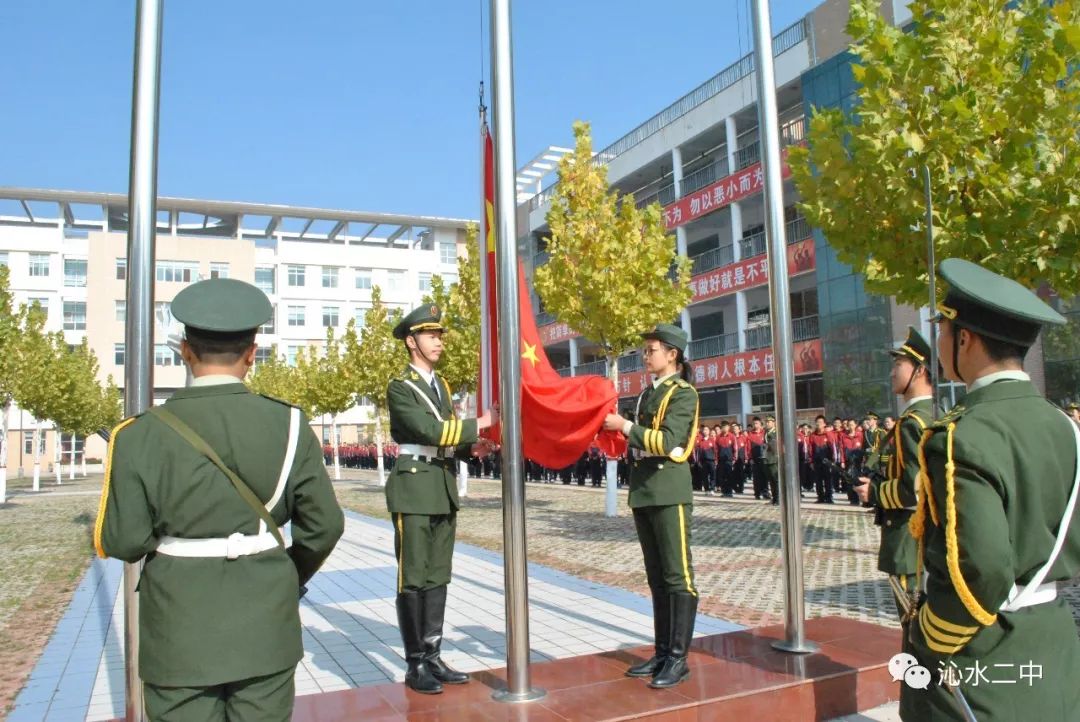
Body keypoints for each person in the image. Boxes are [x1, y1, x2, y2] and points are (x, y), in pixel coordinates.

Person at [94, 278, 344, 722]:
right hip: (265, 624)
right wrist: (284, 576)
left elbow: (125, 541)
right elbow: (325, 525)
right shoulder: (288, 423)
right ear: (252, 352)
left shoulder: (137, 434)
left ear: (185, 350)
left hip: (178, 628)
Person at [899, 259, 1080, 722]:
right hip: (1053, 639)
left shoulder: (961, 435)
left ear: (966, 338)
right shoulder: (1065, 426)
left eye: (942, 330)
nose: (938, 342)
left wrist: (923, 633)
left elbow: (981, 573)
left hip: (982, 658)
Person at [386, 304, 498, 694]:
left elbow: (448, 437)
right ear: (410, 341)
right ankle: (414, 663)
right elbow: (428, 429)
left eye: (440, 335)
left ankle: (432, 654)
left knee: (437, 576)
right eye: (431, 335)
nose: (439, 341)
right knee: (413, 576)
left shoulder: (443, 385)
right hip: (414, 485)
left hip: (442, 483)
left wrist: (472, 447)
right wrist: (477, 423)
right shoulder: (400, 386)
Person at [603, 324, 700, 689]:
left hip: (669, 489)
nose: (647, 356)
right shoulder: (647, 395)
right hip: (644, 489)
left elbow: (673, 443)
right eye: (645, 351)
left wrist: (626, 426)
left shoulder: (683, 394)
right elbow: (639, 442)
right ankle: (661, 653)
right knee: (657, 577)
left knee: (678, 576)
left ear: (672, 354)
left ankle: (678, 658)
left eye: (652, 350)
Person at [854, 327, 934, 621]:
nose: (892, 373)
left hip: (908, 533)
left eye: (898, 365)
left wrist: (874, 492)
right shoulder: (931, 414)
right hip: (925, 534)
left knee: (912, 621)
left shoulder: (914, 422)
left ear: (920, 370)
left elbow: (915, 486)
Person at [809, 415, 835, 503]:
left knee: (828, 480)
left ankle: (829, 497)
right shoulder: (813, 435)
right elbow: (811, 449)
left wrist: (833, 461)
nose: (818, 424)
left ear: (824, 424)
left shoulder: (828, 434)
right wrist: (811, 461)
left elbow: (833, 448)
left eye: (820, 422)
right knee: (818, 480)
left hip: (827, 461)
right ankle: (820, 497)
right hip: (817, 461)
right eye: (817, 422)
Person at [763, 416, 780, 505]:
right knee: (771, 480)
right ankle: (774, 498)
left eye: (769, 422)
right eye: (766, 422)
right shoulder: (766, 432)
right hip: (767, 459)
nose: (767, 423)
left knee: (776, 479)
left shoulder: (775, 432)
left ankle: (778, 499)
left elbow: (774, 445)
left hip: (774, 459)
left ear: (774, 422)